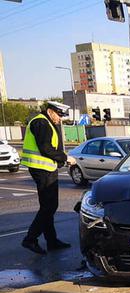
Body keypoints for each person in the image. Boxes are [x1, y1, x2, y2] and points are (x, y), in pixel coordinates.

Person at [20, 101, 77, 255]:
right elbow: (46, 148)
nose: (60, 119)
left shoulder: (45, 121)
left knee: (48, 207)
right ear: (51, 111)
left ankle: (51, 241)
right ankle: (30, 239)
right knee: (49, 207)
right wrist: (66, 158)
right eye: (59, 115)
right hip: (42, 169)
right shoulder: (41, 122)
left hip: (46, 168)